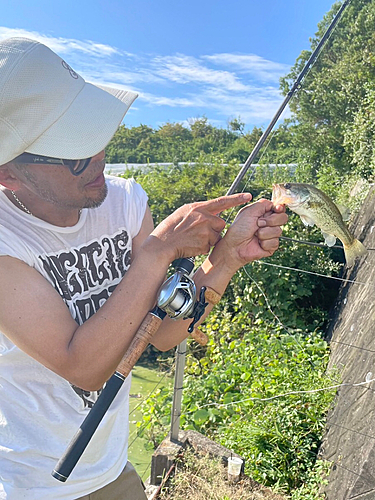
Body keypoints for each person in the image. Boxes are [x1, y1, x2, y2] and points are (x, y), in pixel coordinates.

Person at [0, 37, 288, 500]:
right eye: (75, 152)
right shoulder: (5, 241)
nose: (99, 159)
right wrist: (156, 253)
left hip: (113, 469)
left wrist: (225, 260)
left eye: (96, 135)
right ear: (8, 173)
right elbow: (84, 368)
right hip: (32, 484)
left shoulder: (125, 200)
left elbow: (161, 334)